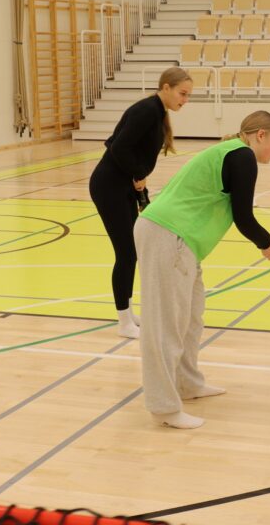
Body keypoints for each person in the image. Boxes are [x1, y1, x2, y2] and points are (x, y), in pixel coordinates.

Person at [135, 111, 270, 429]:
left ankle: (187, 384)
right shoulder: (242, 156)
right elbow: (244, 218)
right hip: (167, 235)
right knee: (166, 326)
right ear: (260, 135)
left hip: (181, 240)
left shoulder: (234, 154)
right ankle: (163, 407)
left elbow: (245, 218)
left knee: (191, 319)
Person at [90, 67, 193, 339]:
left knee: (131, 251)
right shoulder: (147, 110)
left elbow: (129, 149)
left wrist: (138, 184)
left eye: (188, 95)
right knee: (126, 253)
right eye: (182, 93)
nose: (185, 100)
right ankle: (123, 322)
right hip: (109, 186)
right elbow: (118, 147)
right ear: (166, 87)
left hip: (123, 185)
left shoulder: (157, 112)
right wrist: (138, 175)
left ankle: (128, 313)